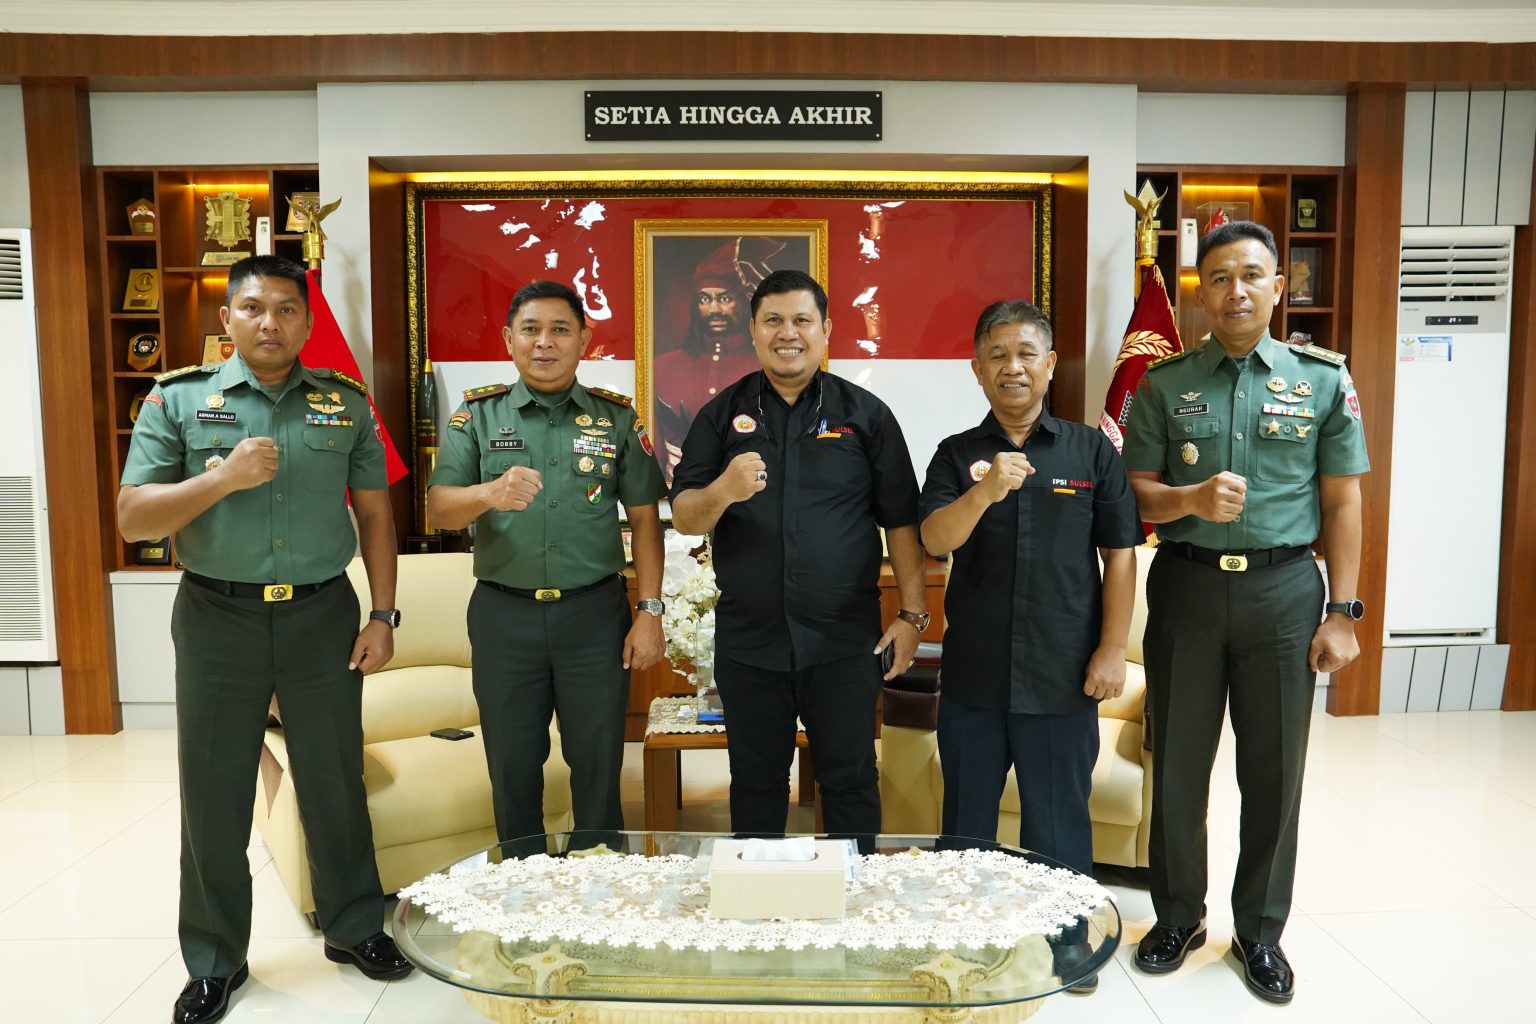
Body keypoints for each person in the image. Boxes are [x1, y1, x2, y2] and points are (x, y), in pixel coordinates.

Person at [117, 255, 411, 1024]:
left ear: (307, 322)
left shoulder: (345, 402)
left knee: (334, 779)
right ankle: (215, 959)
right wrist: (222, 478)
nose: (270, 322)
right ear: (227, 319)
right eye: (253, 308)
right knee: (213, 792)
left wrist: (383, 615)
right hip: (218, 616)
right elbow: (134, 517)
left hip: (322, 615)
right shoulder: (180, 398)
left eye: (286, 308)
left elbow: (376, 515)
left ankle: (353, 928)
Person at [1122, 221, 1369, 1004]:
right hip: (1188, 589)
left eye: (1252, 275)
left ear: (1278, 287)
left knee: (1274, 771)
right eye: (1221, 277)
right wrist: (1190, 499)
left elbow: (1343, 500)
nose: (1237, 291)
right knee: (1179, 766)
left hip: (1284, 593)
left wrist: (1343, 612)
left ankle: (1260, 932)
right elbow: (1138, 491)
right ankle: (1177, 918)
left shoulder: (1322, 380)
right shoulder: (1163, 384)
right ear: (1200, 292)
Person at [918, 300, 1141, 993]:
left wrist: (1112, 650)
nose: (1011, 367)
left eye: (1025, 354)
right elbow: (934, 539)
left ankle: (1067, 941)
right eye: (997, 355)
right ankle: (968, 938)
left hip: (1062, 671)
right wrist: (985, 491)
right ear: (977, 369)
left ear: (1049, 365)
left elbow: (1121, 554)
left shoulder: (1090, 450)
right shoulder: (956, 453)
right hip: (976, 675)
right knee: (967, 821)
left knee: (1059, 820)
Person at [670, 268, 926, 837]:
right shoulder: (721, 415)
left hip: (843, 643)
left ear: (826, 330)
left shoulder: (867, 415)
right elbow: (686, 515)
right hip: (750, 643)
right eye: (773, 321)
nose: (788, 332)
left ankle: (852, 890)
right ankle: (759, 893)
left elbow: (902, 521)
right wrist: (723, 490)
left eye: (802, 320)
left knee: (850, 779)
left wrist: (912, 616)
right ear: (754, 332)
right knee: (756, 782)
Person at [427, 280, 667, 848]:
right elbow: (439, 507)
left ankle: (598, 872)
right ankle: (521, 876)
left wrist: (650, 611)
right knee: (512, 762)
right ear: (509, 339)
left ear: (584, 340)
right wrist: (489, 493)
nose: (544, 342)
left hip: (594, 615)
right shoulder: (477, 415)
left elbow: (646, 520)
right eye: (530, 330)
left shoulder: (614, 418)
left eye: (560, 330)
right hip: (504, 616)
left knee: (598, 759)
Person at [652, 238, 782, 479]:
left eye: (724, 299)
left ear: (744, 303)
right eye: (704, 299)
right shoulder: (661, 367)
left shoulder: (771, 367)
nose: (714, 309)